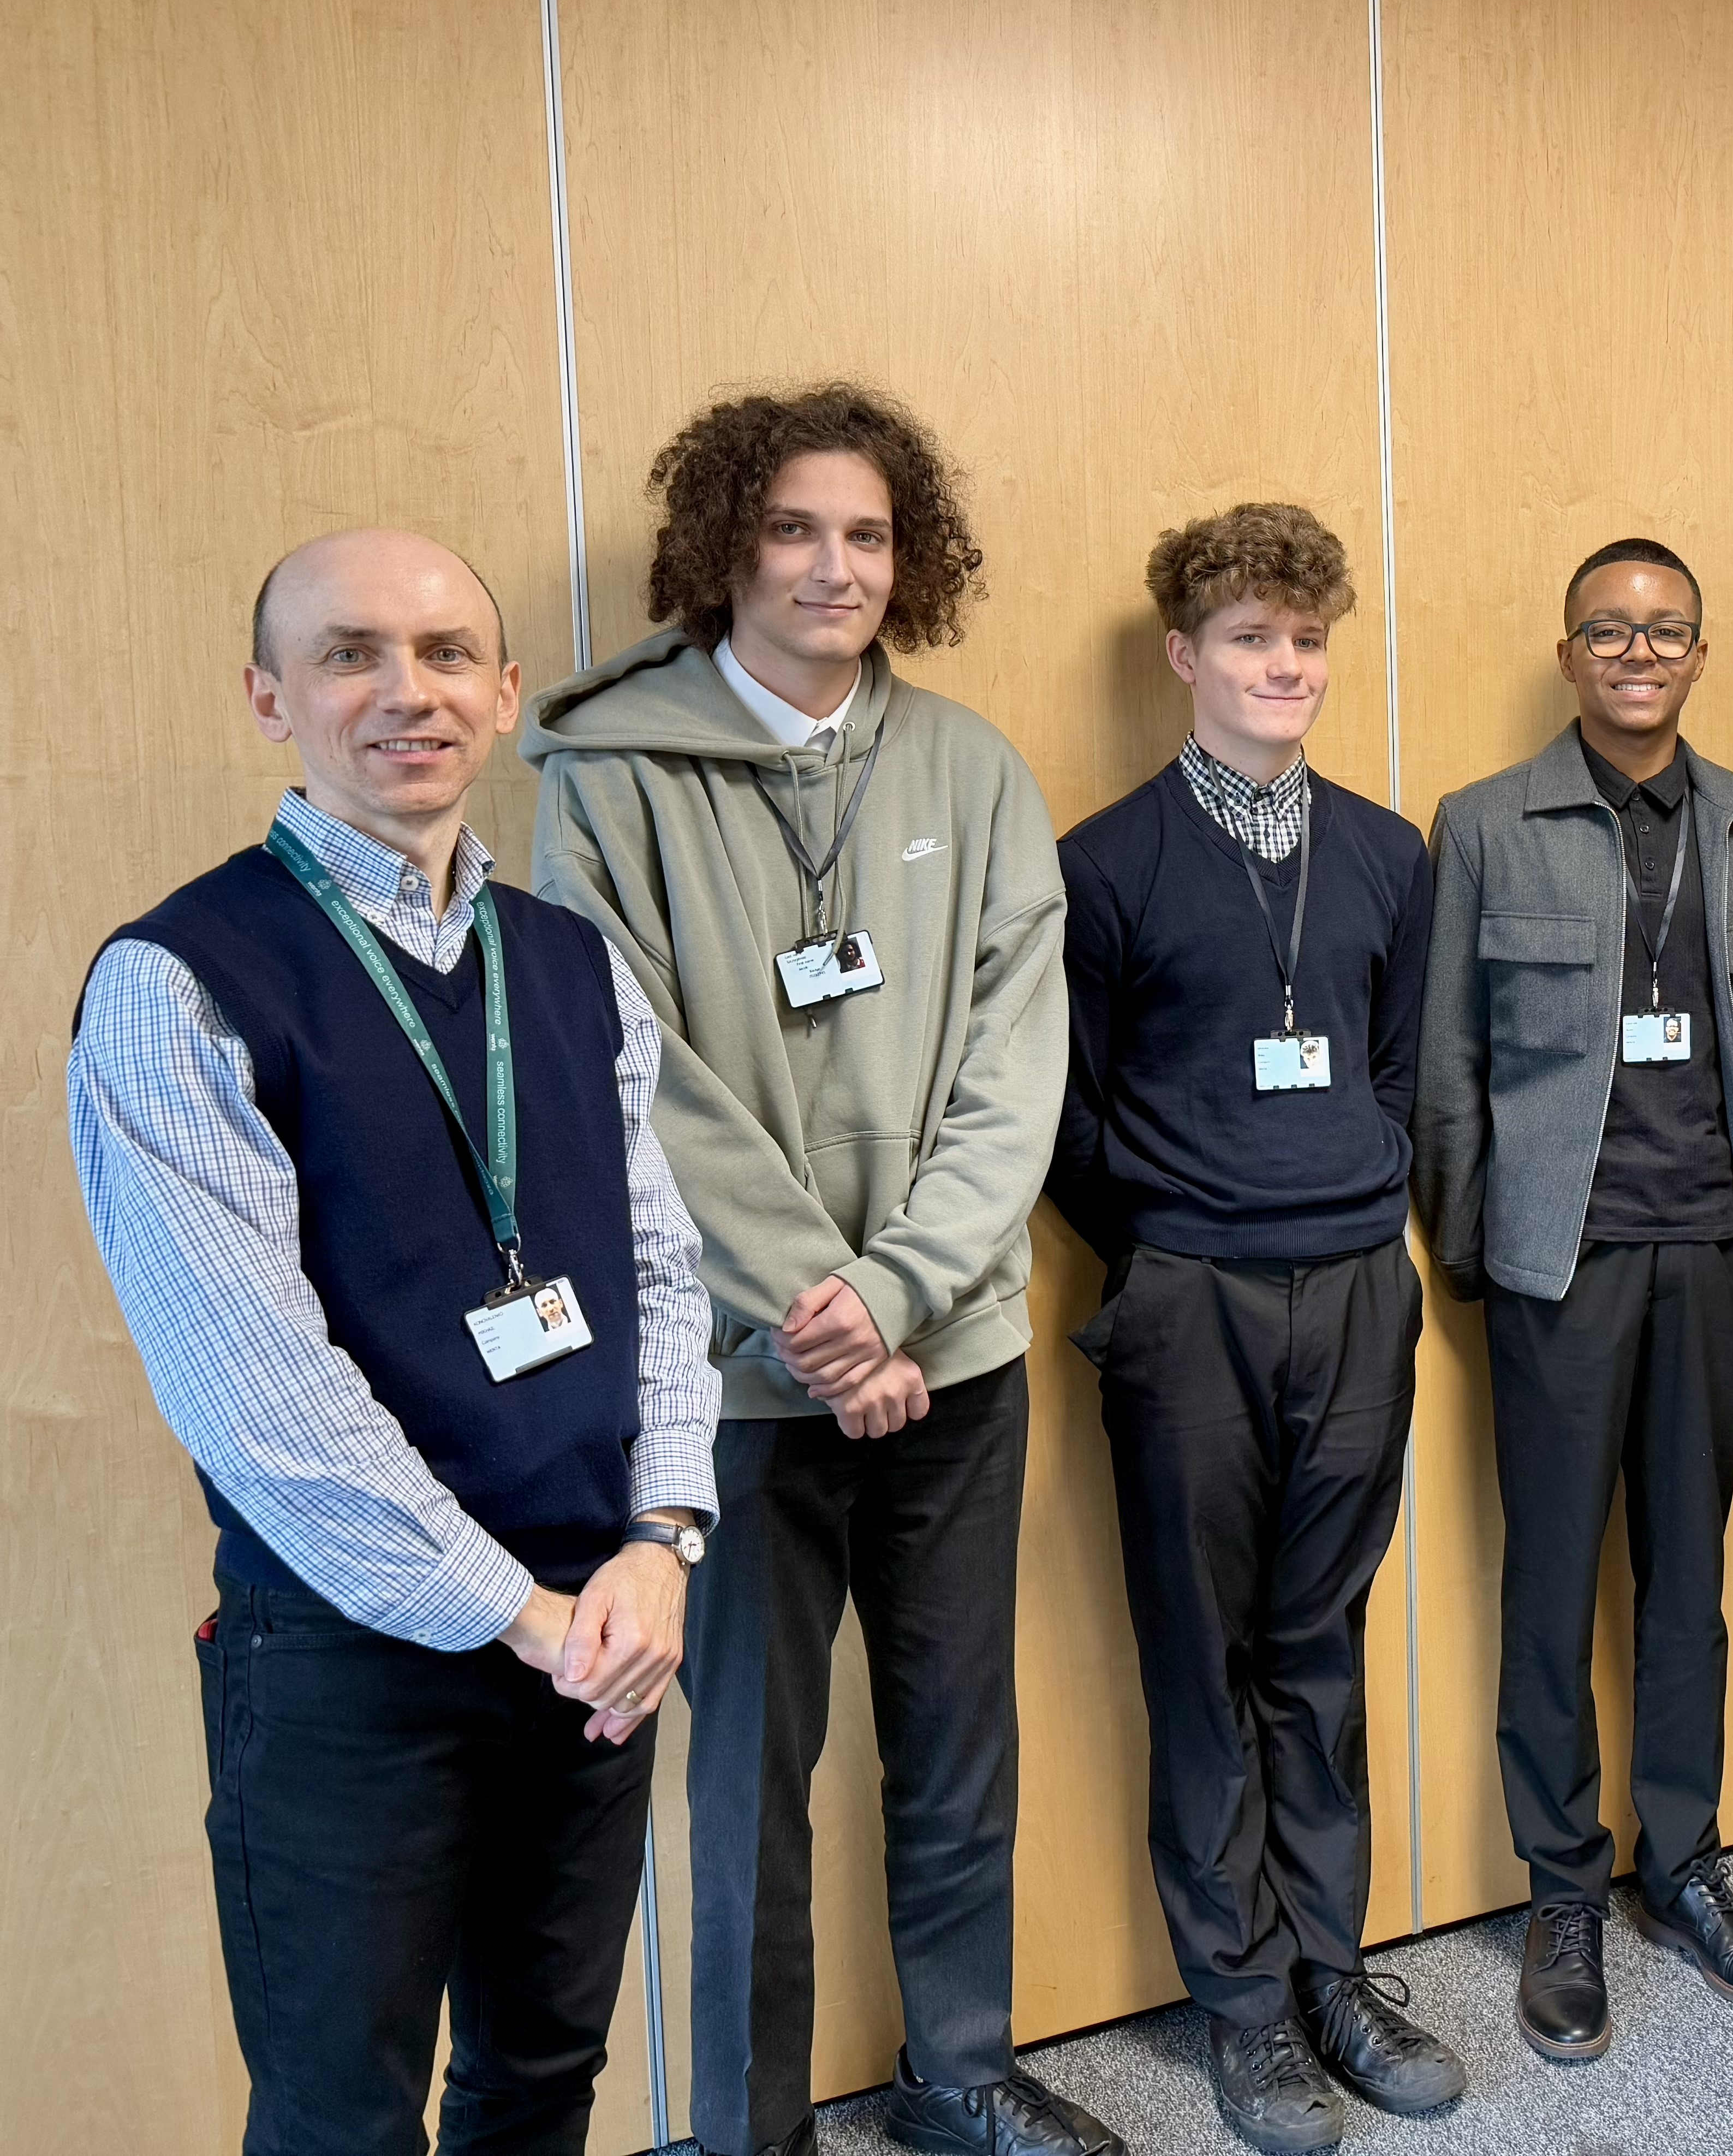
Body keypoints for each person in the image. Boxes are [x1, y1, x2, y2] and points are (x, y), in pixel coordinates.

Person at [68, 529, 718, 2155]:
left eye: (445, 656)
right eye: (351, 653)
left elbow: (663, 1267)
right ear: (270, 697)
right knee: (344, 2117)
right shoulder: (179, 983)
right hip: (361, 1662)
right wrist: (524, 1612)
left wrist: (664, 1540)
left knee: (540, 2080)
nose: (403, 692)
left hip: (598, 1628)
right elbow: (259, 1397)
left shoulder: (572, 963)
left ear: (503, 697)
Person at [525, 389, 1104, 2156]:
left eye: (866, 533)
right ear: (723, 551)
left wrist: (908, 1288)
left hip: (960, 1351)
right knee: (744, 1778)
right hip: (735, 1379)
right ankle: (744, 2124)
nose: (834, 565)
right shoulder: (608, 782)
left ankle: (958, 2068)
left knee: (958, 1736)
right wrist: (817, 1306)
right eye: (793, 529)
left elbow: (1022, 1051)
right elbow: (633, 1076)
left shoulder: (974, 768)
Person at [1048, 503, 1465, 2154]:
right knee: (1205, 1662)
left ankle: (1334, 1974)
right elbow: (1068, 1116)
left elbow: (1394, 1068)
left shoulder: (1382, 850)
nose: (1281, 665)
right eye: (1247, 638)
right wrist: (1162, 1252)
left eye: (1304, 639)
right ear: (1184, 656)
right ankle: (1239, 2007)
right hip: (1189, 1303)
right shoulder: (1108, 861)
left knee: (1320, 1648)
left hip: (1360, 1288)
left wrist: (1357, 1204)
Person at [1413, 537, 1733, 2064]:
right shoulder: (1489, 825)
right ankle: (1561, 1887)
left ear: (1699, 654)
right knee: (1550, 1582)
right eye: (1609, 630)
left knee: (1687, 1576)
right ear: (1568, 653)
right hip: (1555, 1268)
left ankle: (1683, 1860)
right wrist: (1483, 1243)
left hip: (1710, 1251)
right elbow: (1447, 1068)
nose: (1639, 652)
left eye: (1666, 631)